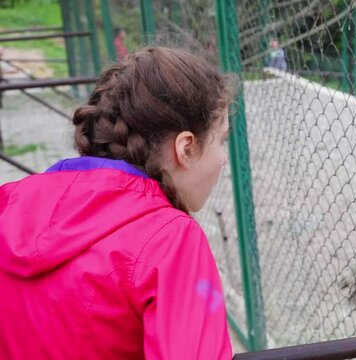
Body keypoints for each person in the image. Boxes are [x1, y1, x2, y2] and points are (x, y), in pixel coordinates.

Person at [0, 47, 233, 359]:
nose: (223, 158)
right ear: (186, 148)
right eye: (220, 140)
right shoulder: (171, 241)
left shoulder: (8, 204)